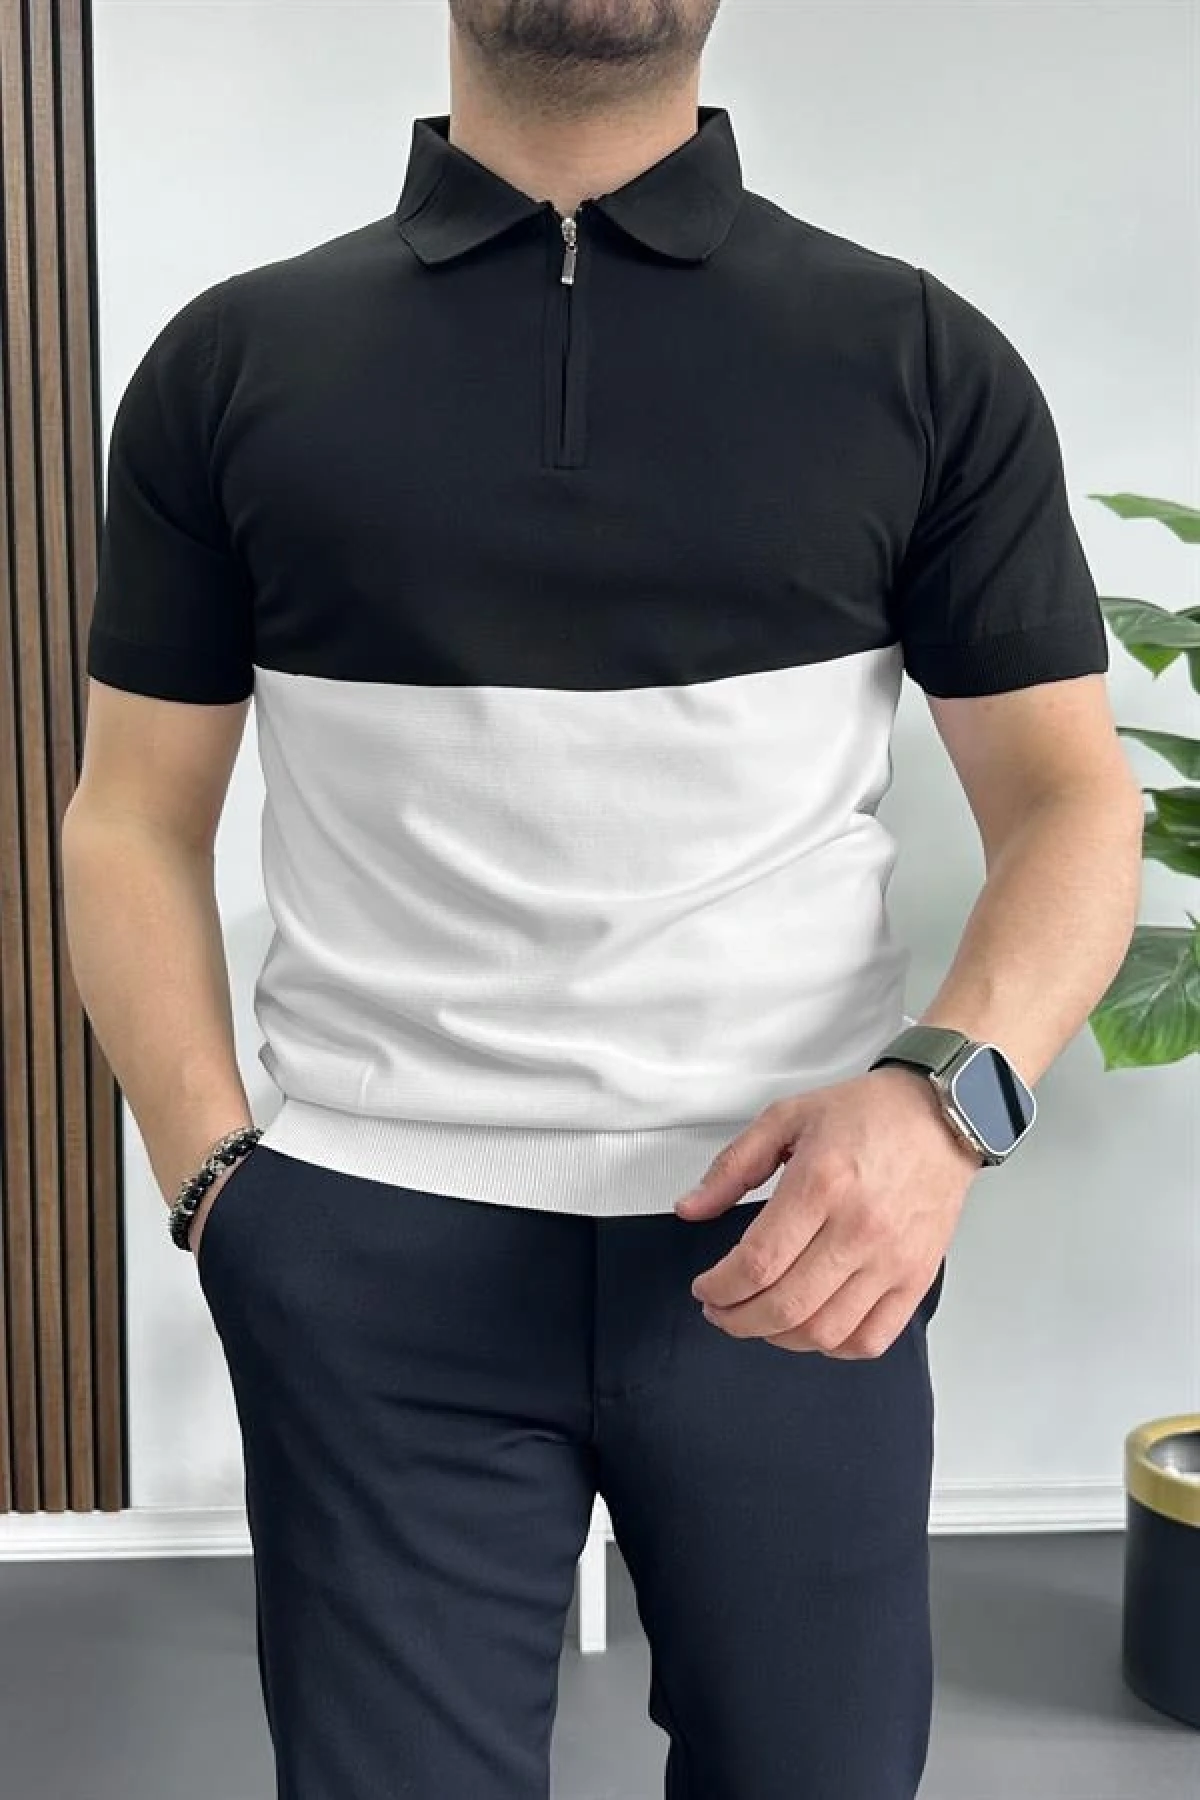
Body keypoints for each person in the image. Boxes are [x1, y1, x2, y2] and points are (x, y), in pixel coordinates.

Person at [61, 3, 1145, 1796]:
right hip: (366, 1249)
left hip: (801, 1237)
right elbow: (130, 820)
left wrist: (942, 1108)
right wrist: (215, 1187)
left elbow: (1069, 803)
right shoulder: (232, 362)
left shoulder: (918, 354)